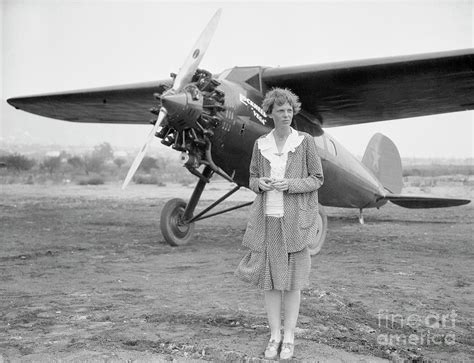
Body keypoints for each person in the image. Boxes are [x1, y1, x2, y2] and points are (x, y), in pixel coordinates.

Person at [235, 87, 324, 360]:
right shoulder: (260, 144)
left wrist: (290, 184)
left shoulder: (305, 141)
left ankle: (289, 337)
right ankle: (274, 336)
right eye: (280, 111)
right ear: (270, 113)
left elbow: (317, 178)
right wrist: (259, 184)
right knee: (270, 283)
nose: (286, 115)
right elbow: (251, 178)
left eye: (289, 110)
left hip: (295, 223)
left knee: (293, 284)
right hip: (268, 221)